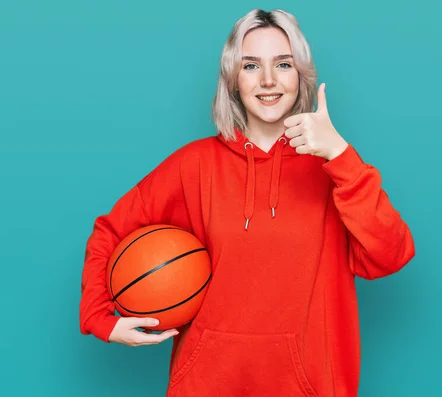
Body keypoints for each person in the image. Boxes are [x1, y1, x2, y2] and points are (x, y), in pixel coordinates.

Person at [79, 8, 415, 397]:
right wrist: (99, 317)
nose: (268, 80)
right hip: (204, 384)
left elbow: (391, 254)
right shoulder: (194, 165)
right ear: (233, 80)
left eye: (283, 64)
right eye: (251, 65)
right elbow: (110, 231)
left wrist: (340, 155)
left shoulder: (334, 169)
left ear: (301, 76)